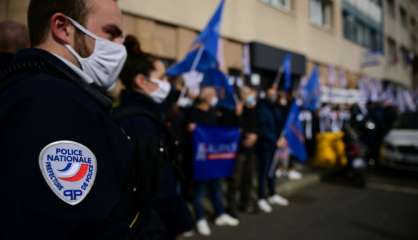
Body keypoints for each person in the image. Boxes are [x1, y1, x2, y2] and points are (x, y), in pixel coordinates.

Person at [0, 0, 137, 239]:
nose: (119, 47)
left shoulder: (31, 90)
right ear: (64, 28)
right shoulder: (53, 103)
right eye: (110, 33)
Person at [115, 48, 194, 240]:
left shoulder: (132, 114)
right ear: (142, 81)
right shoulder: (142, 123)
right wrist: (179, 220)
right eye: (162, 77)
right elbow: (160, 183)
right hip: (149, 226)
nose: (167, 84)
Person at [186, 86, 239, 236]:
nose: (214, 97)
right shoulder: (192, 112)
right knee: (199, 191)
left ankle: (220, 214)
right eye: (212, 94)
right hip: (200, 160)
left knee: (216, 188)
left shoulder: (216, 112)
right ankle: (200, 219)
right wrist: (192, 129)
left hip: (215, 159)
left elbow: (225, 129)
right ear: (204, 96)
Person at [256, 84, 289, 214]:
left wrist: (282, 138)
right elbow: (263, 127)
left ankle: (272, 193)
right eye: (271, 92)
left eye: (275, 92)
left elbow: (282, 124)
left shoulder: (277, 107)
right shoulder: (262, 107)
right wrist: (275, 140)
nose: (273, 94)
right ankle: (261, 196)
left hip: (276, 144)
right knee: (263, 171)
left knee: (272, 170)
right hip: (266, 145)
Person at [227, 85, 259, 214]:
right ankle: (231, 206)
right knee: (235, 180)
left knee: (248, 178)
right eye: (244, 93)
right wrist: (238, 115)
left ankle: (245, 203)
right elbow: (236, 129)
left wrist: (255, 136)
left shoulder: (255, 109)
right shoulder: (237, 110)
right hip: (239, 150)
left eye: (248, 93)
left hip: (251, 151)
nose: (247, 96)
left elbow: (258, 127)